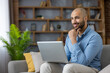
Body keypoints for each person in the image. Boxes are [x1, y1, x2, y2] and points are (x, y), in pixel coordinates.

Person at [40, 8, 103, 73]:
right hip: (71, 67)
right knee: (45, 66)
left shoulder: (95, 37)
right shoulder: (70, 35)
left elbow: (84, 62)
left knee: (68, 67)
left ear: (85, 19)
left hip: (90, 69)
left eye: (77, 18)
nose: (73, 21)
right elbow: (66, 58)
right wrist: (54, 58)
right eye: (72, 18)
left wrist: (73, 39)